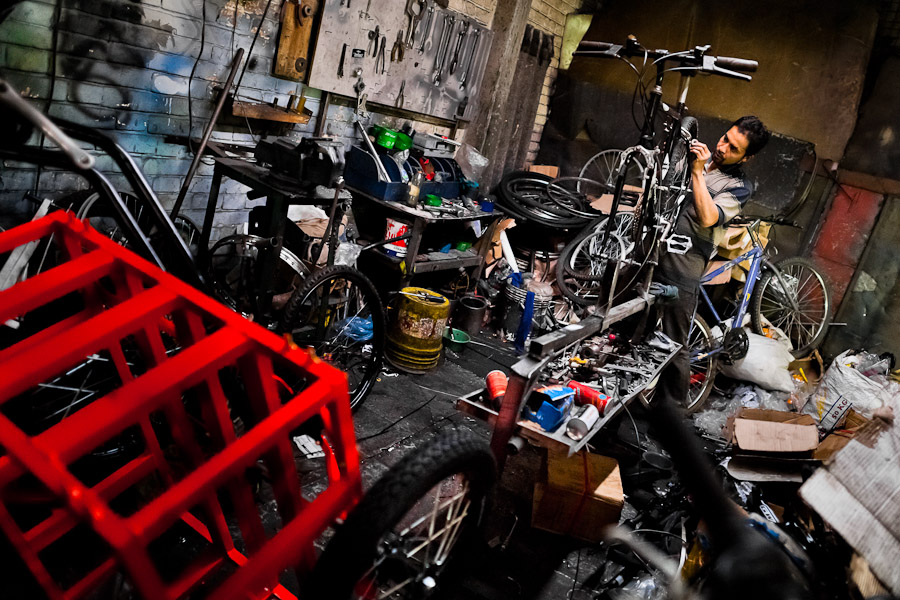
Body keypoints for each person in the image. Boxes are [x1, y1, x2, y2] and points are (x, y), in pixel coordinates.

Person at [655, 115, 770, 405]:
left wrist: (696, 173)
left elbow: (709, 217)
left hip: (686, 258)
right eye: (725, 138)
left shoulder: (740, 186)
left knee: (673, 340)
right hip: (656, 243)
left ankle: (671, 416)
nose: (722, 148)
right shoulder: (701, 154)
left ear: (748, 157)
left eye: (734, 148)